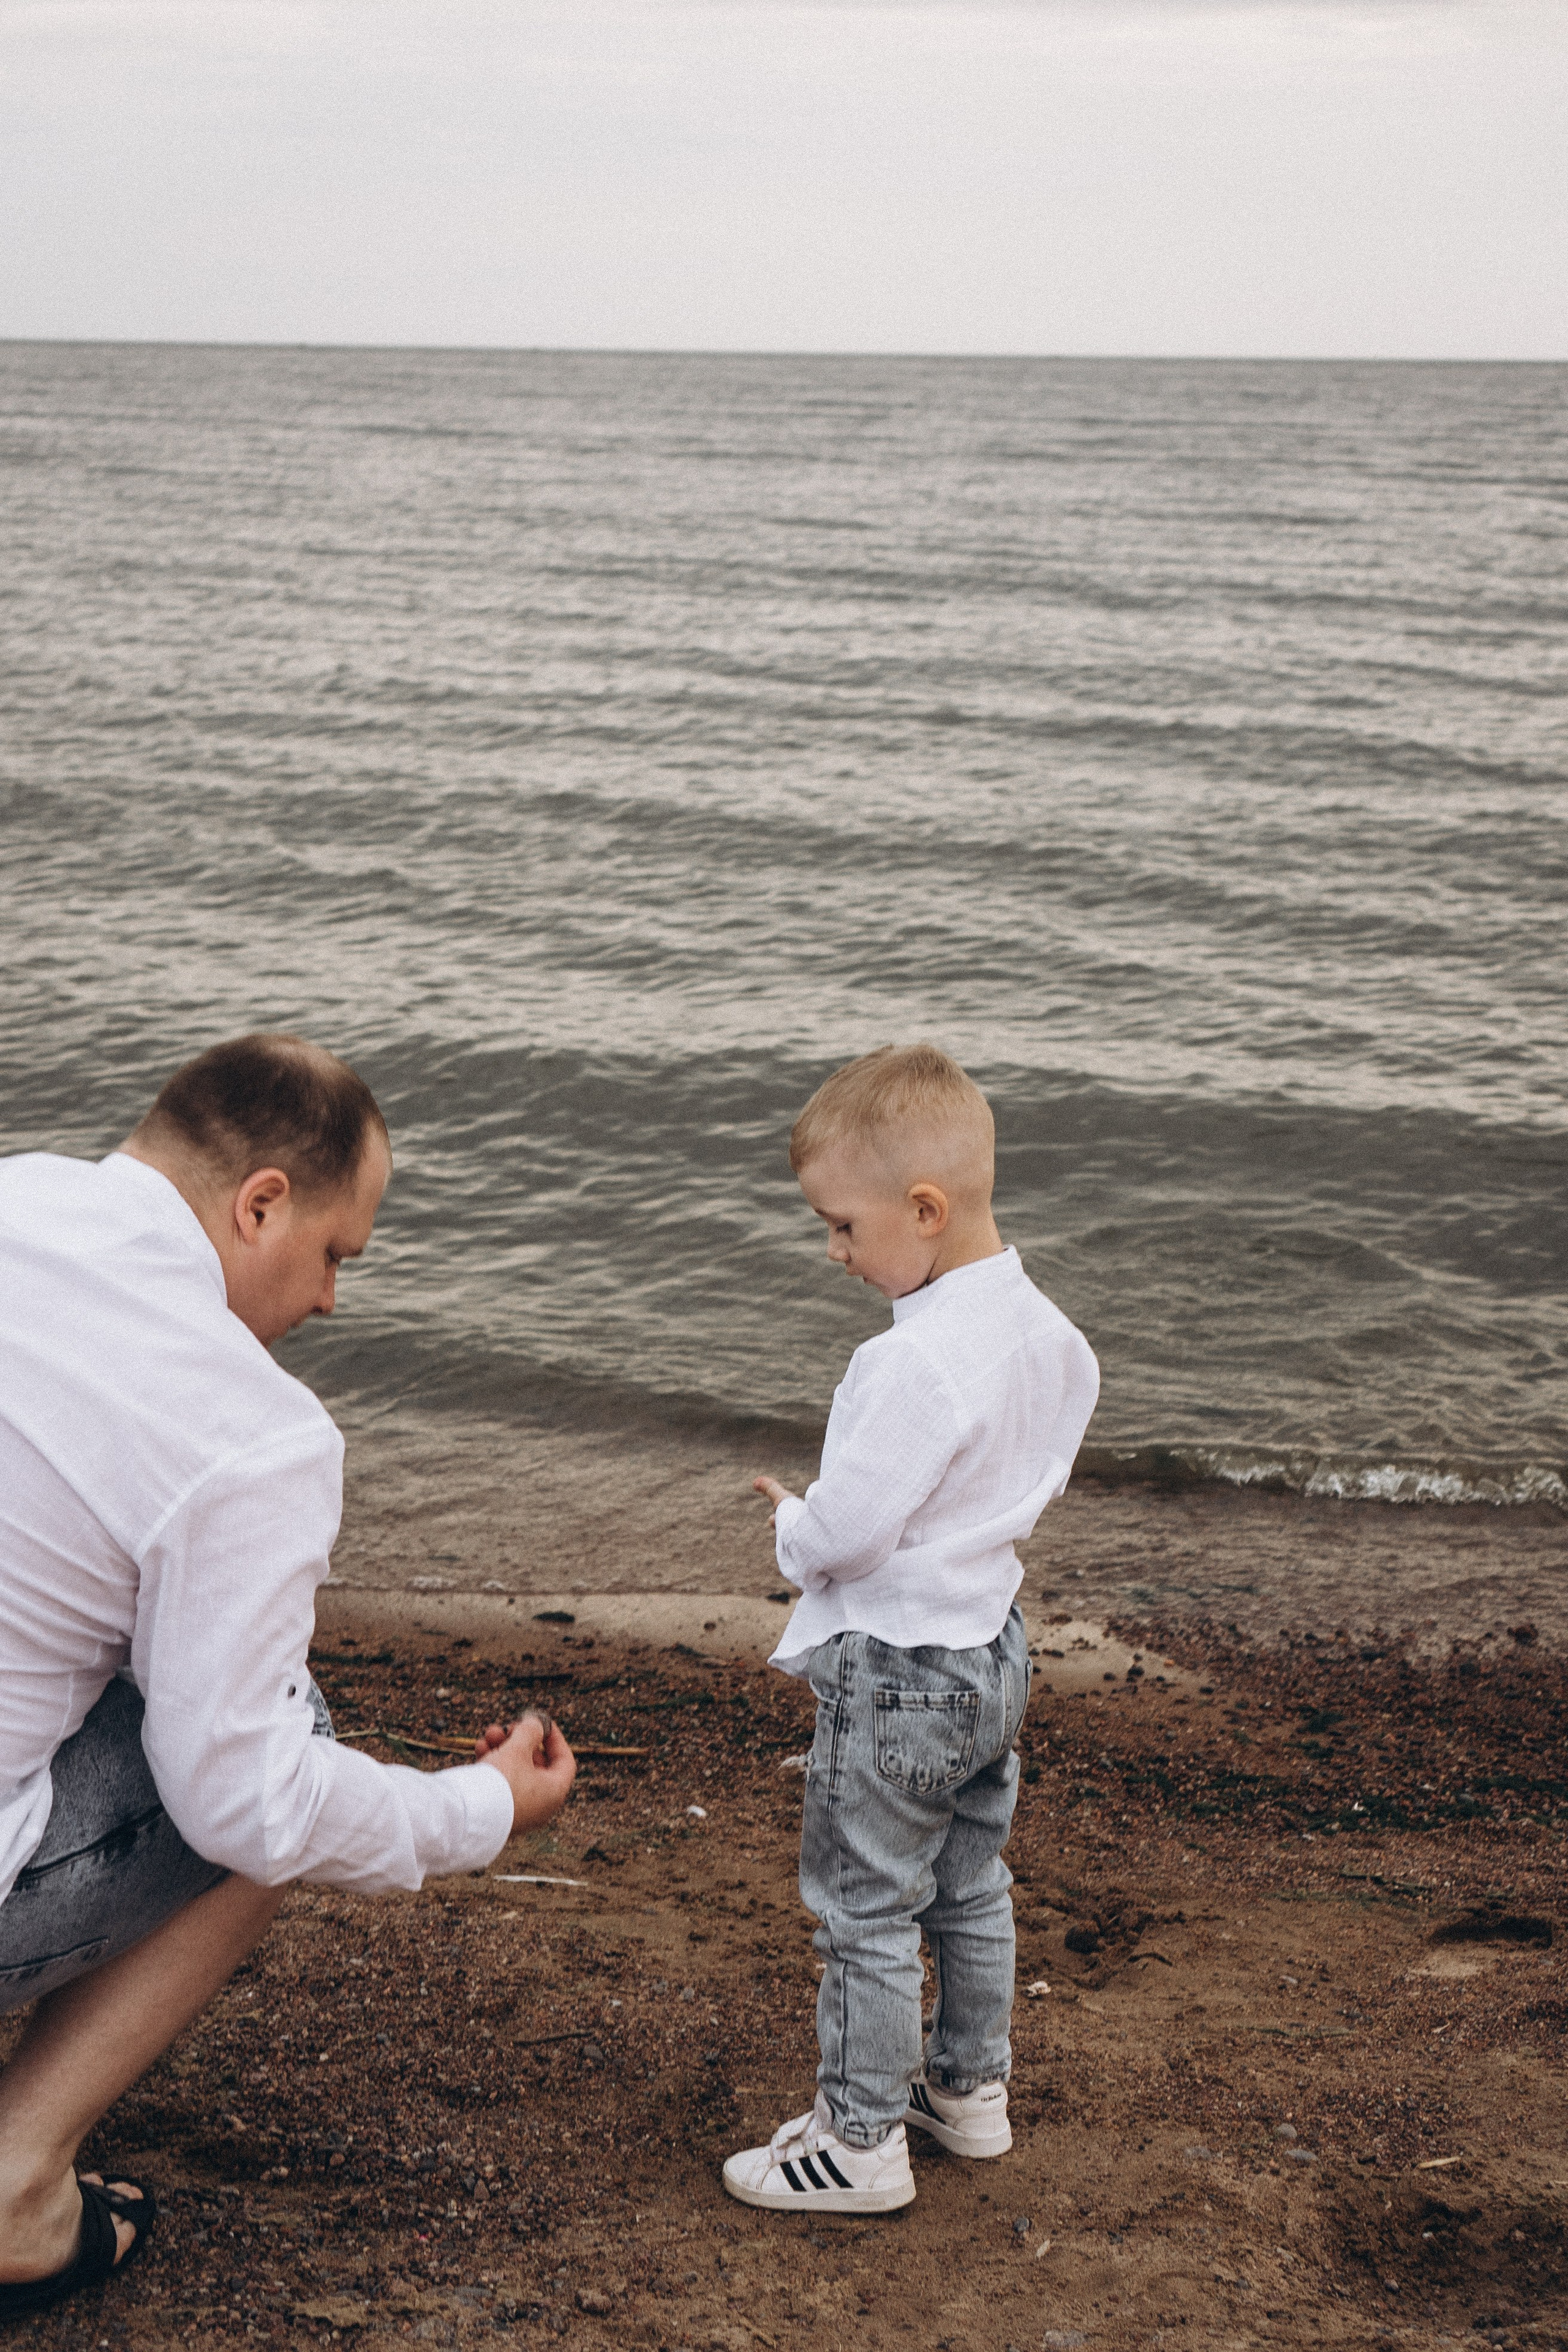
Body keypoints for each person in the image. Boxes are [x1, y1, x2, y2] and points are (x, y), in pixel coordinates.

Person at [0, 1035, 576, 2316]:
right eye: (333, 1255)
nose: (329, 1302)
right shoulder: (250, 1430)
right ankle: (15, 2186)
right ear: (260, 1200)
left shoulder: (15, 1195)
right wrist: (477, 1812)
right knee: (279, 1729)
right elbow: (245, 1805)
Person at [723, 1044, 1098, 2216]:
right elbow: (1016, 1486)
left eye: (841, 1226)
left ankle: (861, 2142)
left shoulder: (909, 1363)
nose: (834, 1252)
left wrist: (793, 1524)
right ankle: (969, 2092)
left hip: (898, 1671)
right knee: (970, 1886)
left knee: (867, 1908)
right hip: (993, 1655)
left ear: (922, 1211)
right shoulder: (1052, 1337)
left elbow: (851, 1537)